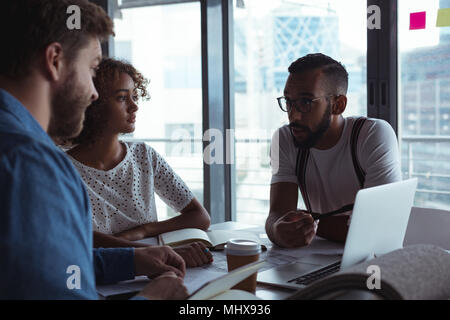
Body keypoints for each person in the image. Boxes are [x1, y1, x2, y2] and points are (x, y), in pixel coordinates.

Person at [0, 0, 187, 299]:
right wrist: (152, 298)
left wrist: (131, 260)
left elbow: (33, 267)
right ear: (55, 60)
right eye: (92, 68)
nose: (94, 92)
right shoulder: (30, 163)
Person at [65, 58, 213, 267]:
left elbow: (200, 217)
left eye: (134, 96)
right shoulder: (63, 168)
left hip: (153, 272)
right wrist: (159, 252)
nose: (134, 106)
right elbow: (79, 240)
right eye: (122, 98)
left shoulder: (143, 155)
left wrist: (144, 230)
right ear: (93, 103)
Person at [266, 53, 402, 248]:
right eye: (288, 102)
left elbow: (377, 228)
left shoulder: (372, 134)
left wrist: (311, 222)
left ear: (338, 105)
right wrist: (278, 230)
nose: (293, 115)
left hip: (372, 261)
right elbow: (277, 215)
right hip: (318, 258)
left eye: (305, 102)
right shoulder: (285, 139)